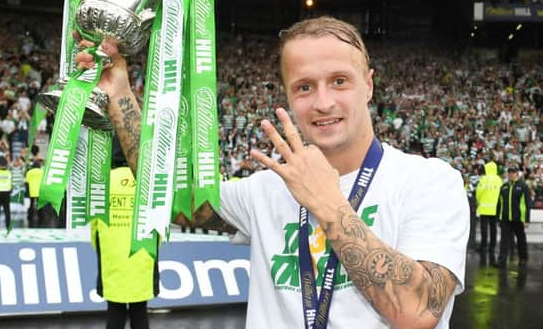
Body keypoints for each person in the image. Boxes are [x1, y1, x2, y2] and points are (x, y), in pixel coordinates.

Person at [76, 17, 470, 328]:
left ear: (368, 85)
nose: (323, 101)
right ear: (286, 95)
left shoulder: (430, 182)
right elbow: (171, 200)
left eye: (339, 81)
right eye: (303, 87)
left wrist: (329, 204)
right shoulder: (265, 189)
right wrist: (120, 94)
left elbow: (418, 312)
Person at [91, 150, 159, 329]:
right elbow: (159, 224)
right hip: (143, 255)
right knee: (140, 312)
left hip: (112, 257)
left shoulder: (102, 182)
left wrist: (103, 248)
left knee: (115, 311)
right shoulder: (147, 182)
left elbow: (94, 226)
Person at [496, 165, 532, 269]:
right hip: (506, 219)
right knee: (504, 241)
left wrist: (526, 219)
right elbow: (500, 203)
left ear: (517, 173)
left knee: (521, 240)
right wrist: (499, 217)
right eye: (510, 172)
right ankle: (502, 261)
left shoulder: (523, 186)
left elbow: (527, 203)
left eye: (513, 172)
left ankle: (523, 259)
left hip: (518, 219)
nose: (511, 174)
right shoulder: (504, 186)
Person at [475, 161, 502, 261]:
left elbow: (478, 192)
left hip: (484, 208)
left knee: (484, 229)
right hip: (495, 209)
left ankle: (483, 247)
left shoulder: (484, 179)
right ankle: (492, 247)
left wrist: (479, 202)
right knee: (493, 229)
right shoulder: (499, 180)